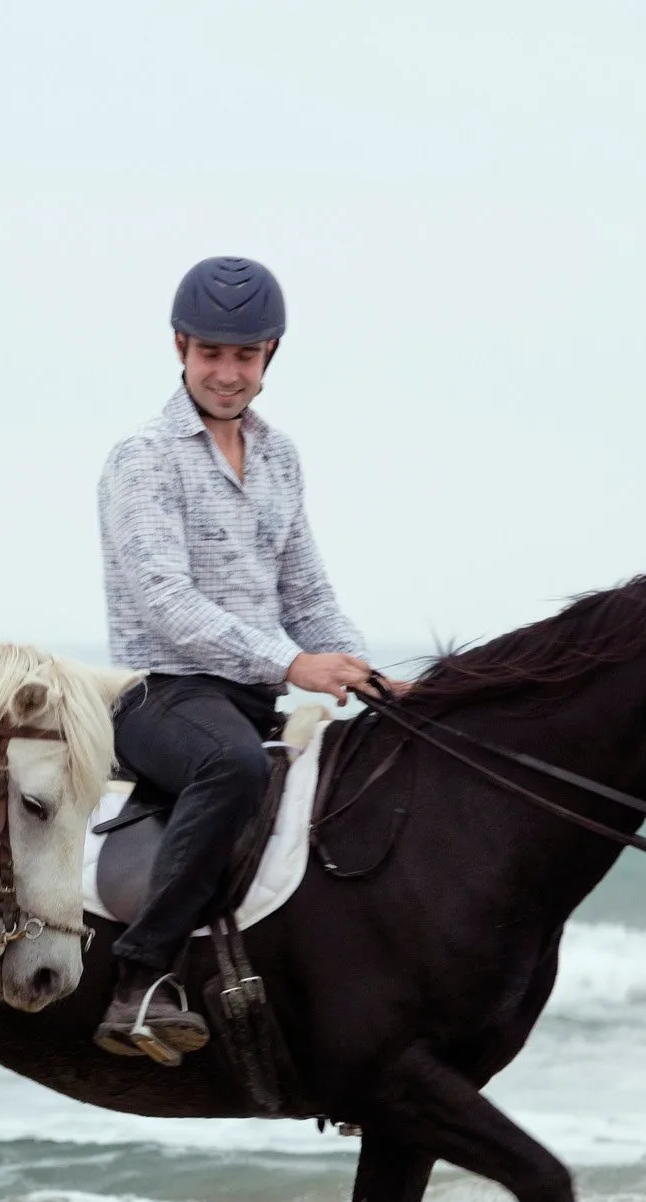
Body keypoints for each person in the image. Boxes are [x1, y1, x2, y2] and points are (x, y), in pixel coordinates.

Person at [93, 255, 392, 1064]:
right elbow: (167, 603)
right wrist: (294, 665)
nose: (228, 374)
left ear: (270, 356)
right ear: (182, 348)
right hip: (164, 693)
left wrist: (364, 670)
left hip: (255, 692)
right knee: (233, 766)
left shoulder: (281, 458)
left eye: (245, 356)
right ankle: (139, 980)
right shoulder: (143, 458)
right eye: (212, 355)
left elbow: (308, 592)